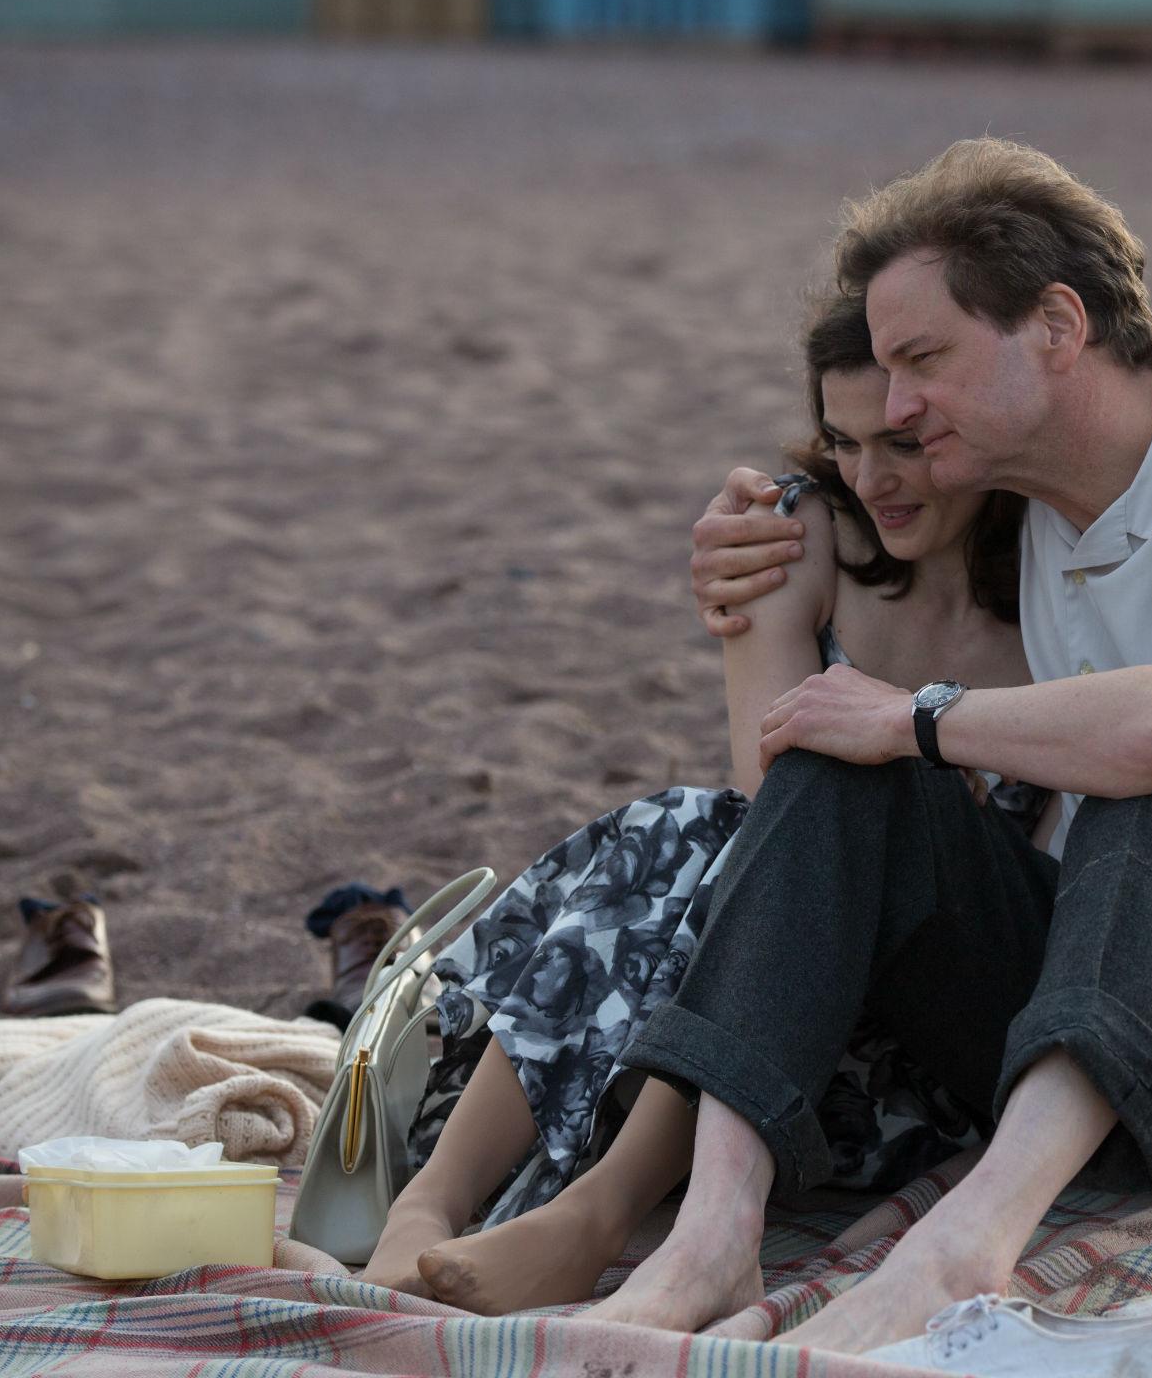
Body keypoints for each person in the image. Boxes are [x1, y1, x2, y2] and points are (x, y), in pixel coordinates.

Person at [621, 138, 1152, 1355]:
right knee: (843, 751)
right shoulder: (1034, 505)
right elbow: (848, 541)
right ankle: (711, 1233)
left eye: (922, 361)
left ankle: (966, 1249)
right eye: (885, 372)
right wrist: (763, 545)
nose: (902, 408)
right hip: (1108, 1037)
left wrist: (913, 718)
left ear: (1054, 325)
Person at [355, 291, 1047, 1315]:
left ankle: (598, 1208)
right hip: (770, 1006)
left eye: (903, 441)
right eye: (844, 442)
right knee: (694, 831)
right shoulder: (791, 533)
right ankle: (429, 1202)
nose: (873, 479)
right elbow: (777, 821)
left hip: (917, 1055)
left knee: (721, 843)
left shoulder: (1061, 582)